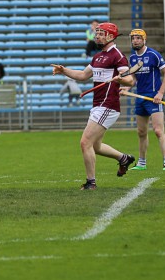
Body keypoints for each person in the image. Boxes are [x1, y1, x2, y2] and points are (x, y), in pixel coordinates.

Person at [51, 22, 136, 190]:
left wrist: (121, 79)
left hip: (108, 105)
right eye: (97, 33)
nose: (97, 36)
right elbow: (83, 75)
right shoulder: (98, 56)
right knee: (95, 146)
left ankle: (91, 182)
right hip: (98, 105)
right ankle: (123, 158)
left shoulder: (117, 55)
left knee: (85, 143)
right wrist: (64, 70)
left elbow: (130, 79)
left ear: (111, 37)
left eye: (101, 33)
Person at [124, 29, 165, 171]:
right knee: (141, 132)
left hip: (154, 98)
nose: (135, 41)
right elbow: (133, 78)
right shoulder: (133, 58)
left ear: (144, 40)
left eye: (139, 38)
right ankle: (142, 163)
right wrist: (126, 88)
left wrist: (160, 93)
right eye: (133, 38)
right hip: (140, 98)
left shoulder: (153, 55)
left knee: (158, 130)